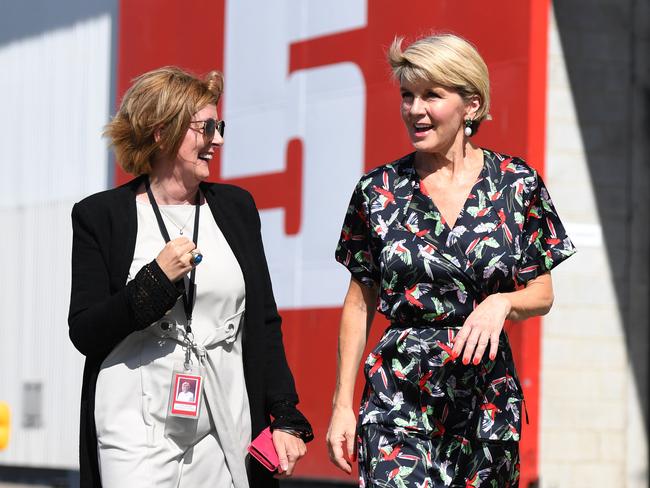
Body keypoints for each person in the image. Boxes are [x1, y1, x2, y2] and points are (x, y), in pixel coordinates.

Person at [326, 34, 576, 487]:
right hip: (397, 401)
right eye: (407, 96)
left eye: (431, 96)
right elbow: (359, 303)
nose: (414, 110)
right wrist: (342, 405)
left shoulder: (517, 185)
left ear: (472, 105)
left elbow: (542, 293)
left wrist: (502, 304)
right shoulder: (377, 190)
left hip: (485, 406)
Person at [68, 66, 312, 488]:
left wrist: (285, 412)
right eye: (206, 127)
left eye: (219, 126)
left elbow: (264, 322)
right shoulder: (100, 216)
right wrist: (153, 283)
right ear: (161, 132)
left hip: (224, 415)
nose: (217, 140)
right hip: (135, 425)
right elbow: (85, 332)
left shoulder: (236, 208)